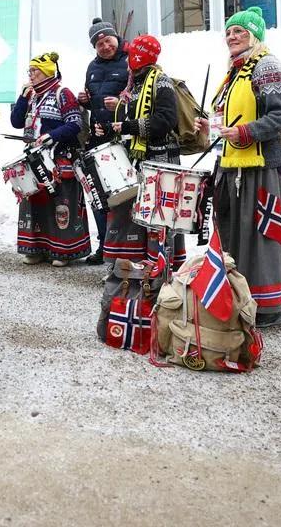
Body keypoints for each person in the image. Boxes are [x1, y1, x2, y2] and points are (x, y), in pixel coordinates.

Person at [199, 6, 281, 327]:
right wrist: (211, 127)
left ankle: (268, 307)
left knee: (261, 236)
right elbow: (230, 119)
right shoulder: (234, 73)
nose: (231, 36)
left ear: (255, 35)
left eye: (239, 31)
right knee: (237, 236)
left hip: (263, 168)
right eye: (228, 32)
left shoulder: (267, 66)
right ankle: (241, 300)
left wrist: (245, 132)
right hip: (234, 165)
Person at [93, 34, 185, 339]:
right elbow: (129, 119)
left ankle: (162, 281)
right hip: (140, 163)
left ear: (142, 55)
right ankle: (137, 279)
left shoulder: (160, 82)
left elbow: (165, 120)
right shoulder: (134, 83)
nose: (129, 56)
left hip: (161, 164)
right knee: (141, 223)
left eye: (133, 52)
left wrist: (128, 126)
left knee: (158, 225)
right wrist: (109, 125)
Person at [10, 51, 91, 266]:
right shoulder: (32, 96)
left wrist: (51, 136)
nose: (31, 75)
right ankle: (36, 249)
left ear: (46, 72)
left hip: (58, 157)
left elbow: (74, 124)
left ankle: (62, 251)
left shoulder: (62, 93)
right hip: (34, 158)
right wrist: (22, 97)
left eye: (34, 71)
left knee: (60, 203)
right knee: (35, 202)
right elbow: (16, 122)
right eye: (30, 71)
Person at [78, 18, 129, 265]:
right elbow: (92, 97)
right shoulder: (92, 66)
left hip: (124, 136)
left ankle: (125, 244)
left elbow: (140, 97)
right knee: (98, 193)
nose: (105, 46)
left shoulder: (131, 62)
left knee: (124, 194)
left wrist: (121, 105)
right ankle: (104, 244)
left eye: (107, 40)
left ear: (116, 38)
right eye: (99, 44)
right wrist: (85, 101)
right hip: (98, 136)